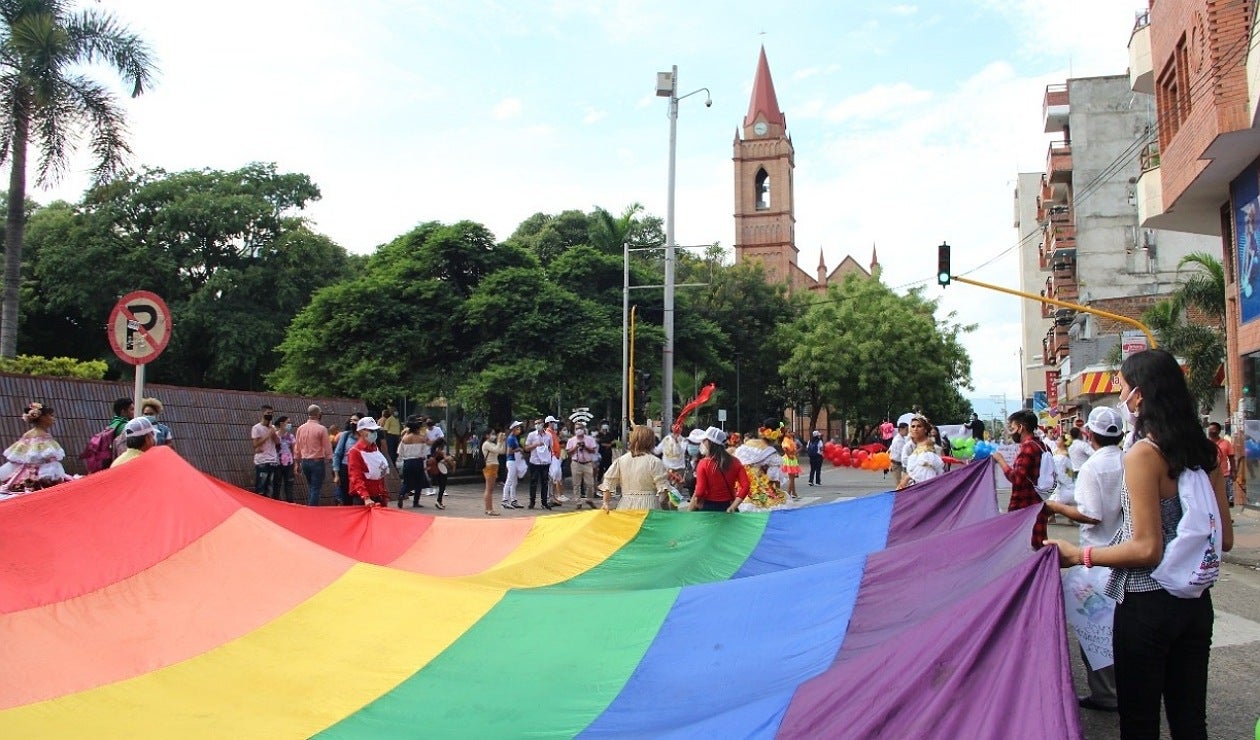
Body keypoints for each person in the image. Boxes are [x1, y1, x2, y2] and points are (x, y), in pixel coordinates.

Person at [1047, 349, 1234, 739]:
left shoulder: (1144, 455)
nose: (1122, 399)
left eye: (1124, 388)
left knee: (1139, 723)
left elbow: (1146, 548)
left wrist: (1078, 555)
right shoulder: (1208, 454)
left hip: (1147, 606)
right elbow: (1225, 540)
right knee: (1189, 721)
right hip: (1197, 606)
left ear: (1141, 396)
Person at [1045, 406, 1127, 713]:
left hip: (1096, 560)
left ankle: (1106, 694)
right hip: (1124, 555)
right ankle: (1123, 689)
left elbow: (1091, 515)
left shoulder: (1094, 467)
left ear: (1089, 435)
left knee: (1095, 631)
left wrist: (1057, 509)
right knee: (1119, 629)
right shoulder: (1127, 460)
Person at [992, 409, 1051, 550]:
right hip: (1039, 504)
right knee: (1039, 546)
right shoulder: (1043, 446)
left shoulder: (1027, 448)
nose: (1011, 432)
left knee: (1022, 550)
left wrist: (1001, 461)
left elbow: (1016, 478)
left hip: (1024, 507)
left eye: (1012, 428)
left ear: (1020, 428)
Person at [0, 402, 74, 495]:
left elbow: (18, 460)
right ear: (42, 418)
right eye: (50, 415)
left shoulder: (27, 435)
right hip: (40, 476)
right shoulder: (44, 436)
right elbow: (49, 461)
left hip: (24, 476)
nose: (53, 419)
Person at [599, 425, 669, 512]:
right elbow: (663, 492)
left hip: (625, 505)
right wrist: (666, 508)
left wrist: (605, 502)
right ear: (651, 441)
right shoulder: (655, 462)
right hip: (649, 506)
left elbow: (608, 483)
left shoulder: (621, 460)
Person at [689, 426, 751, 513]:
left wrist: (698, 501)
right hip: (729, 506)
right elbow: (746, 486)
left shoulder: (703, 463)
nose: (702, 443)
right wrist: (734, 506)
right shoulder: (736, 462)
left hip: (708, 508)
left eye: (704, 440)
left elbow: (700, 491)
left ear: (709, 442)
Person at [294, 404, 333, 506]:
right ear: (318, 414)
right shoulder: (321, 429)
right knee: (316, 488)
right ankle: (312, 510)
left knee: (311, 486)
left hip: (304, 462)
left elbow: (297, 446)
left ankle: (310, 506)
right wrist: (329, 458)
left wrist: (297, 463)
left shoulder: (300, 428)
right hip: (317, 461)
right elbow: (327, 446)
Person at [347, 417, 389, 507]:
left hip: (378, 496)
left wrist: (384, 495)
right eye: (370, 430)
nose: (373, 433)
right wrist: (366, 497)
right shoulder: (355, 452)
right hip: (363, 499)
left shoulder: (375, 449)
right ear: (361, 432)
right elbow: (355, 477)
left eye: (375, 430)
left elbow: (380, 474)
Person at [897, 415, 944, 489]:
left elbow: (928, 475)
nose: (915, 429)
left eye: (919, 426)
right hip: (912, 488)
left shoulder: (930, 447)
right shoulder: (910, 446)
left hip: (925, 489)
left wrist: (908, 478)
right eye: (913, 426)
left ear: (925, 429)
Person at [396, 416, 428, 508]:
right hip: (418, 462)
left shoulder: (405, 439)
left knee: (406, 482)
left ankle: (401, 494)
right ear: (417, 429)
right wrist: (425, 465)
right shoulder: (421, 439)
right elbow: (424, 453)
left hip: (407, 462)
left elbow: (400, 452)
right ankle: (416, 502)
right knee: (419, 482)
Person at [525, 416, 556, 510]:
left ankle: (544, 502)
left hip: (545, 462)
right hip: (534, 461)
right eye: (536, 424)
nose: (538, 425)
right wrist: (535, 445)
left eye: (540, 423)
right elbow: (526, 448)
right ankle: (532, 502)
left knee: (545, 483)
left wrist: (550, 457)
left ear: (543, 425)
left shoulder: (548, 436)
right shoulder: (531, 435)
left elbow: (551, 447)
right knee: (533, 482)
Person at [331, 413, 362, 505]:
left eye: (355, 420)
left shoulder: (366, 436)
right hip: (345, 469)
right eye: (351, 420)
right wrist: (336, 474)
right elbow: (337, 454)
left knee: (359, 498)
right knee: (346, 498)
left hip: (360, 471)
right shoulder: (346, 435)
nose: (353, 423)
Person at [251, 405, 280, 497]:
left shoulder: (272, 428)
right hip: (262, 461)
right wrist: (267, 435)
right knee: (261, 487)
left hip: (272, 460)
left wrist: (273, 432)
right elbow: (255, 444)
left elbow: (277, 442)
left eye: (271, 413)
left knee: (270, 488)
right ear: (263, 413)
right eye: (268, 413)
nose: (270, 415)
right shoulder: (257, 428)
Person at [568, 424, 599, 508]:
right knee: (576, 484)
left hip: (587, 463)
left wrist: (585, 446)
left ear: (583, 429)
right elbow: (569, 452)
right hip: (576, 463)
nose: (579, 430)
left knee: (590, 484)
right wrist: (576, 447)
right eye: (577, 428)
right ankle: (578, 502)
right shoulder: (571, 440)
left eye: (580, 428)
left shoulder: (590, 439)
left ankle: (589, 499)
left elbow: (593, 450)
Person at [1207, 422, 1235, 509]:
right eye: (1210, 429)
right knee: (1211, 497)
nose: (1211, 431)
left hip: (1224, 475)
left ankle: (1226, 517)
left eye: (1213, 429)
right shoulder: (1205, 443)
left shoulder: (1226, 443)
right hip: (1209, 475)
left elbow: (1231, 458)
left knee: (1224, 497)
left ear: (1219, 431)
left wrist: (1233, 471)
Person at [502, 420, 525, 510]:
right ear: (514, 429)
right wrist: (518, 449)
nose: (519, 429)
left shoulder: (514, 437)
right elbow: (509, 452)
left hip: (514, 461)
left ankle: (513, 500)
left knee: (514, 482)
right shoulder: (511, 438)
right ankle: (504, 500)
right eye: (518, 428)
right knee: (509, 480)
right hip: (511, 461)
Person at [426, 438, 454, 510]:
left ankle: (440, 502)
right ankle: (438, 501)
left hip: (436, 470)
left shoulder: (433, 450)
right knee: (442, 486)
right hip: (441, 470)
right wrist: (450, 458)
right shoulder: (440, 451)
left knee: (441, 486)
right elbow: (446, 459)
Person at [481, 429, 504, 516]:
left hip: (494, 466)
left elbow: (501, 451)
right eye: (492, 434)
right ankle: (489, 509)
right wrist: (499, 440)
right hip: (490, 466)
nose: (494, 435)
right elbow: (496, 449)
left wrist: (502, 441)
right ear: (487, 435)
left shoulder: (492, 444)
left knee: (490, 489)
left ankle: (488, 508)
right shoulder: (486, 444)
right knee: (489, 489)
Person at [780, 430, 801, 499]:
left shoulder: (790, 439)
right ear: (785, 433)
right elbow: (785, 448)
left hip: (792, 458)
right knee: (791, 478)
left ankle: (794, 493)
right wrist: (789, 456)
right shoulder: (786, 440)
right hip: (789, 459)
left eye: (791, 432)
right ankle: (788, 494)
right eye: (788, 432)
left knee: (792, 477)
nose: (791, 433)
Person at [887, 421, 909, 486]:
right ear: (901, 429)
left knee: (902, 484)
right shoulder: (899, 440)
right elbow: (903, 454)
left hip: (898, 464)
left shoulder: (901, 438)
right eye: (906, 430)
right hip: (897, 464)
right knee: (900, 484)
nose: (908, 431)